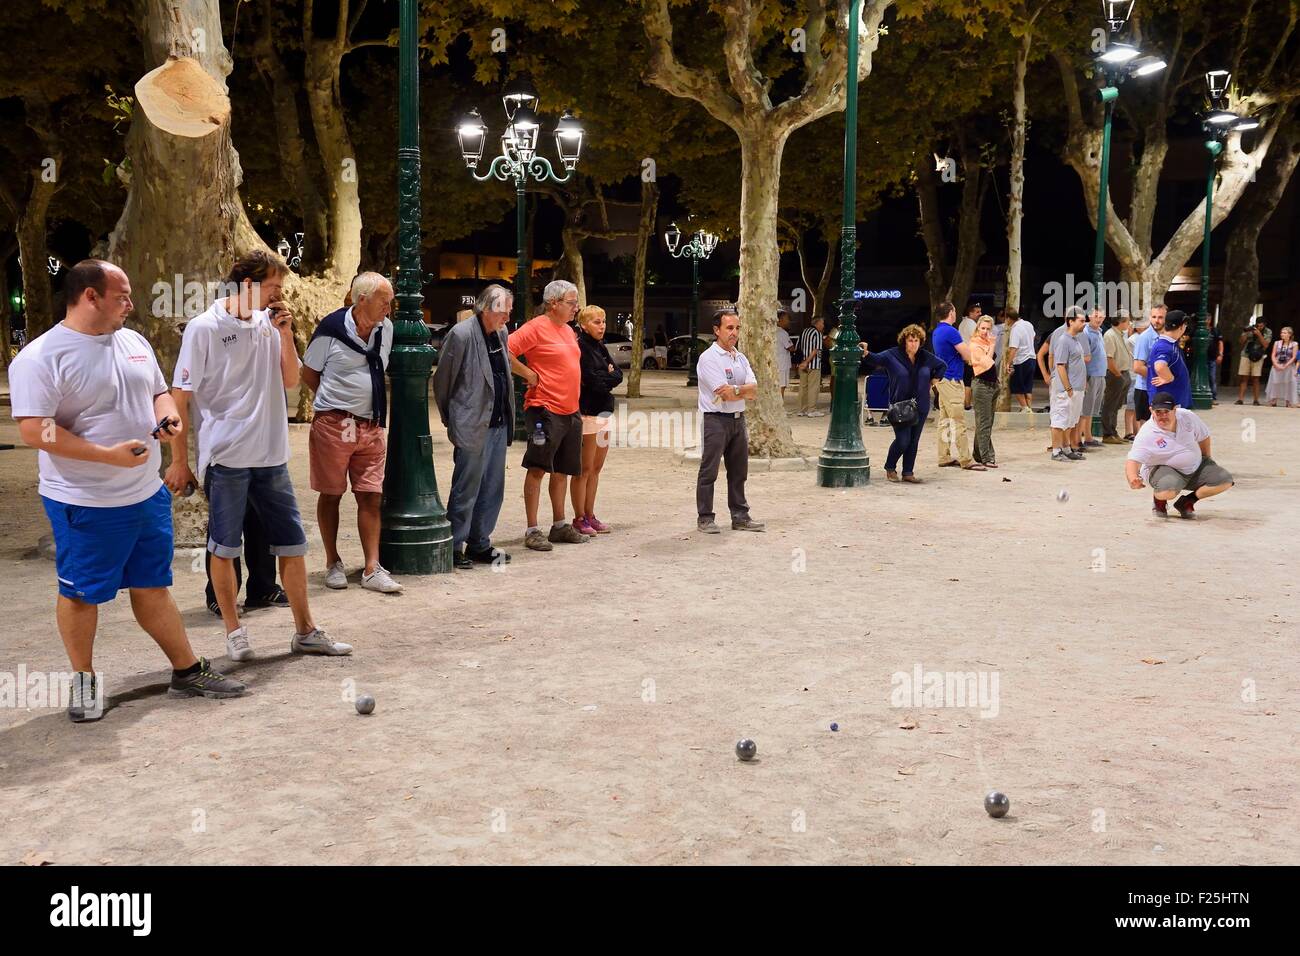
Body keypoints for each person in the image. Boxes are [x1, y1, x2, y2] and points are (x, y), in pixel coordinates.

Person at [10, 259, 244, 721]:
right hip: (85, 501)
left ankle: (186, 671)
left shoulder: (133, 341)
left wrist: (167, 416)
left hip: (144, 495)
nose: (131, 304)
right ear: (89, 296)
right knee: (81, 593)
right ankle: (83, 682)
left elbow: (158, 390)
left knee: (153, 586)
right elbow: (37, 432)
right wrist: (106, 454)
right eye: (121, 295)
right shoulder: (41, 357)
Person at [166, 250, 351, 661]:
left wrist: (285, 334)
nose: (278, 296)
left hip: (272, 457)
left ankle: (305, 630)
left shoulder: (270, 326)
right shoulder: (204, 327)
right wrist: (179, 460)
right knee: (224, 548)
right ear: (247, 285)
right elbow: (179, 399)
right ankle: (234, 631)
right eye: (273, 287)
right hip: (226, 458)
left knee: (293, 546)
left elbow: (290, 381)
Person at [300, 272, 401, 593]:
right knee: (331, 494)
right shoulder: (330, 329)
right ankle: (333, 562)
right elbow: (309, 373)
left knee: (371, 495)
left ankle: (372, 567)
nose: (389, 307)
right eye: (384, 301)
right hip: (335, 425)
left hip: (372, 426)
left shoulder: (386, 329)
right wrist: (335, 405)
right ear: (362, 300)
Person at [433, 283, 514, 569]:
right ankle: (455, 545)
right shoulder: (462, 334)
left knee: (493, 487)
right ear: (485, 309)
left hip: (498, 423)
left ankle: (480, 542)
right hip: (472, 424)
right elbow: (443, 380)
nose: (507, 318)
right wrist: (452, 418)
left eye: (508, 312)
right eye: (503, 312)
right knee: (466, 488)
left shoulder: (500, 333)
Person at [507, 279, 589, 552]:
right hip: (544, 408)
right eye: (571, 302)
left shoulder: (567, 330)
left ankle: (559, 525)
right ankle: (532, 529)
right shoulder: (535, 327)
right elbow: (505, 352)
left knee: (563, 470)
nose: (576, 308)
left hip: (570, 410)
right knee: (538, 467)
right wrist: (528, 373)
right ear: (553, 303)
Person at [696, 309, 764, 533]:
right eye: (729, 328)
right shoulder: (708, 358)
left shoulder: (740, 357)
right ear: (717, 330)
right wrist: (740, 390)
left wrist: (736, 390)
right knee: (710, 471)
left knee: (739, 472)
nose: (734, 333)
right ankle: (705, 518)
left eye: (737, 328)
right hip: (715, 420)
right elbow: (724, 394)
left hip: (738, 419)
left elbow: (754, 391)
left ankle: (740, 516)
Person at [862, 325, 949, 483]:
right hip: (900, 406)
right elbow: (874, 359)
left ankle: (908, 472)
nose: (914, 344)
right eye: (910, 340)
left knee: (914, 441)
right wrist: (866, 352)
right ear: (904, 341)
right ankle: (890, 467)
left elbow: (942, 365)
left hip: (921, 405)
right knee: (903, 440)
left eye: (916, 340)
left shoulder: (925, 357)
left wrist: (935, 379)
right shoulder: (892, 355)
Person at [1126, 391, 1234, 518]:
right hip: (1163, 469)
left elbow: (1204, 437)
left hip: (1195, 466)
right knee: (1167, 491)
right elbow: (1133, 460)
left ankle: (1186, 502)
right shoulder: (1147, 433)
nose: (1162, 416)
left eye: (1166, 411)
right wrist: (1133, 478)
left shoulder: (1187, 416)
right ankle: (1159, 501)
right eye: (1158, 412)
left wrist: (1207, 459)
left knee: (1225, 480)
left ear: (1175, 410)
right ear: (1151, 410)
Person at [572, 304, 622, 535]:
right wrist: (608, 374)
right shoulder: (581, 346)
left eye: (603, 321)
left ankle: (590, 514)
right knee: (584, 468)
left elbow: (618, 375)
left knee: (596, 468)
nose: (601, 326)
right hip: (588, 412)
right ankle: (579, 517)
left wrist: (609, 375)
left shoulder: (600, 346)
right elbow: (595, 381)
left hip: (603, 412)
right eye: (596, 322)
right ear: (583, 325)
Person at [932, 301, 986, 471]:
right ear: (951, 313)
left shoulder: (937, 331)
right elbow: (967, 354)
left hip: (942, 380)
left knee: (945, 420)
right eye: (954, 310)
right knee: (958, 421)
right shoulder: (951, 331)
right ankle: (966, 459)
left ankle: (944, 456)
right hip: (952, 380)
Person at [1045, 308, 1087, 462]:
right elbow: (1060, 365)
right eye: (1081, 321)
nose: (1084, 324)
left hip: (1077, 388)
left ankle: (1066, 448)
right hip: (1065, 389)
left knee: (1071, 419)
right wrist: (1068, 387)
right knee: (1059, 418)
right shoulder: (1063, 340)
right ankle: (1056, 451)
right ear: (1071, 321)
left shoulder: (1075, 339)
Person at [968, 315, 999, 467]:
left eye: (988, 329)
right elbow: (986, 364)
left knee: (985, 422)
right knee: (984, 423)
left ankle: (978, 453)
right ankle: (987, 457)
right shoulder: (974, 344)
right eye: (983, 328)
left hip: (992, 385)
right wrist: (992, 345)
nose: (985, 331)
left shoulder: (987, 341)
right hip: (981, 385)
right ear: (977, 328)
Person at [1130, 302, 1167, 426]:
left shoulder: (1167, 336)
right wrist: (1161, 378)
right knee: (1147, 428)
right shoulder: (1144, 338)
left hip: (1161, 388)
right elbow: (1138, 367)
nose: (1157, 320)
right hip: (1145, 389)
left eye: (1160, 317)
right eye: (1154, 317)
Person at [1147, 309, 1192, 410]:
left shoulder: (1170, 344)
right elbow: (1160, 366)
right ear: (1181, 327)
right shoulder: (1165, 346)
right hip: (1168, 405)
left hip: (1171, 402)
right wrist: (1169, 378)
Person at [1101, 310, 1133, 444]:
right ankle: (1107, 434)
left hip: (1123, 373)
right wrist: (1118, 375)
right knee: (1110, 404)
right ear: (1121, 322)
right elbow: (1109, 358)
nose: (1130, 323)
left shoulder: (1120, 334)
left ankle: (1113, 432)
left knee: (1117, 405)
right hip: (1115, 374)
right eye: (1127, 320)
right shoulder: (1110, 335)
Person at [1080, 308, 1107, 449]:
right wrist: (1084, 379)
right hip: (1091, 375)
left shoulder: (1099, 332)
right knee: (1085, 409)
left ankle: (1089, 437)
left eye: (1101, 316)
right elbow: (1084, 358)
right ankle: (1079, 439)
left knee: (1091, 409)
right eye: (1096, 316)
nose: (1098, 319)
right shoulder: (1085, 333)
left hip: (1100, 374)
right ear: (1089, 316)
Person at [1003, 307, 1037, 411]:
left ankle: (1025, 408)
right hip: (1032, 358)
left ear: (1008, 318)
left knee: (1017, 386)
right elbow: (1034, 337)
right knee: (1028, 387)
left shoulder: (1015, 329)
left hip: (1021, 360)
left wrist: (1008, 363)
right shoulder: (1028, 324)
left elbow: (1014, 348)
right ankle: (1029, 408)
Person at [1236, 318, 1272, 405]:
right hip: (1246, 354)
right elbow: (1241, 342)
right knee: (1244, 377)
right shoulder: (1250, 329)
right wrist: (1246, 333)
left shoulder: (1267, 331)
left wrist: (1259, 334)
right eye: (1258, 325)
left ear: (1264, 325)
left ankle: (1256, 400)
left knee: (1256, 378)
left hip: (1258, 355)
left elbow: (1266, 345)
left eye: (1261, 326)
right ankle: (1240, 399)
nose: (1259, 327)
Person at [796, 317, 825, 416]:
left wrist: (801, 362)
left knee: (803, 387)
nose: (823, 326)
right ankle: (811, 410)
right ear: (817, 323)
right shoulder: (817, 334)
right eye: (822, 323)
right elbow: (816, 349)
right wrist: (807, 362)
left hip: (802, 364)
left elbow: (798, 347)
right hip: (813, 364)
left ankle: (801, 409)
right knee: (813, 387)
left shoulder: (804, 331)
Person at [1265, 326, 1297, 407]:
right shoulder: (1277, 343)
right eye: (1281, 332)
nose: (1282, 334)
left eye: (1284, 333)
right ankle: (1273, 400)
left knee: (1288, 383)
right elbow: (1273, 354)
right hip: (1277, 365)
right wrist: (1275, 364)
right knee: (1275, 382)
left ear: (1289, 334)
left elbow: (1294, 356)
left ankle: (1288, 400)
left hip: (1288, 366)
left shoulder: (1294, 344)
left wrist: (1286, 365)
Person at [958, 300, 981, 409]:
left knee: (965, 380)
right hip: (970, 356)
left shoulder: (963, 323)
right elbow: (976, 340)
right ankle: (967, 404)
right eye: (977, 312)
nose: (979, 314)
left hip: (963, 355)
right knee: (968, 382)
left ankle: (965, 403)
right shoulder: (971, 324)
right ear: (970, 313)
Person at [775, 310, 795, 399]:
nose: (788, 321)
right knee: (781, 386)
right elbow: (791, 348)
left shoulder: (773, 331)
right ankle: (779, 406)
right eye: (787, 319)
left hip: (776, 363)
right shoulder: (782, 333)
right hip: (782, 365)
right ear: (780, 320)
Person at [1207, 315, 1224, 402]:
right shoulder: (1197, 330)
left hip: (1212, 357)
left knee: (1212, 376)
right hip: (1200, 358)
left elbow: (1220, 342)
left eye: (1207, 319)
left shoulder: (1215, 331)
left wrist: (1220, 354)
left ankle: (1213, 395)